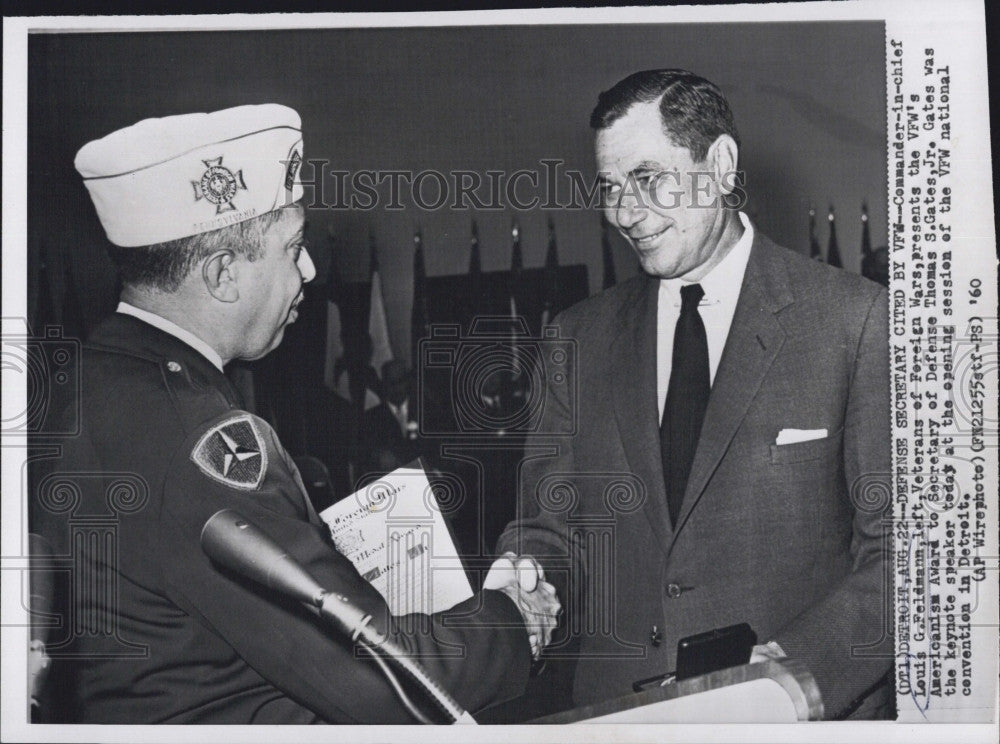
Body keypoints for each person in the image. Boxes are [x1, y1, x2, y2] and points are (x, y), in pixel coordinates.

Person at [31, 104, 559, 724]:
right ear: (224, 273)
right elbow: (374, 675)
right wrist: (510, 618)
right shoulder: (201, 438)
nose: (308, 271)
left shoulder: (77, 386)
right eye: (293, 247)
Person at [497, 69, 892, 720]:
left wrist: (798, 676)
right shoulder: (574, 340)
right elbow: (551, 530)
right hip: (614, 719)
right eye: (609, 188)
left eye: (648, 180)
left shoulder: (855, 321)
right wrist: (522, 584)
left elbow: (901, 555)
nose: (624, 214)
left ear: (721, 165)